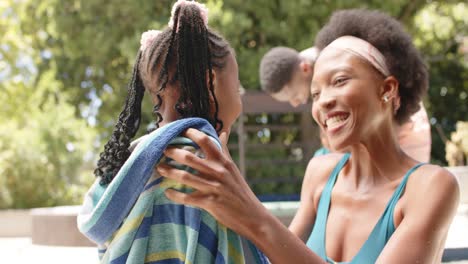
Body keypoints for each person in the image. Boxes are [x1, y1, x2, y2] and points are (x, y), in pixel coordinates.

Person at [157, 9, 460, 263]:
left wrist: (250, 211)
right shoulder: (320, 174)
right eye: (315, 93)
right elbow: (277, 254)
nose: (323, 101)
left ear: (388, 89)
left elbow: (269, 235)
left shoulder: (430, 187)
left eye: (339, 81)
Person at [77, 1, 268, 263]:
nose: (240, 97)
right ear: (209, 81)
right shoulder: (199, 170)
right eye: (237, 87)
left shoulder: (130, 167)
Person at [260, 46, 432, 162]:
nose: (295, 103)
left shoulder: (337, 60)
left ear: (305, 69)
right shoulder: (313, 63)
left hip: (405, 129)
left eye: (294, 95)